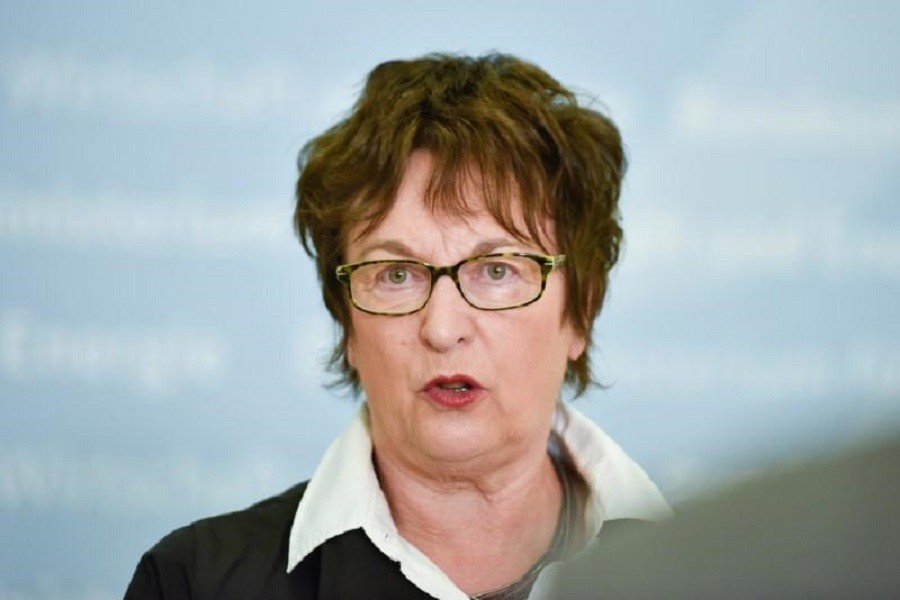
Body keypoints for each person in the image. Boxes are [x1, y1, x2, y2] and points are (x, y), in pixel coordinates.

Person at [125, 52, 670, 600]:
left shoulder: (721, 571)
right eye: (398, 274)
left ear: (580, 310)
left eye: (497, 270)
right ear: (347, 323)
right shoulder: (194, 583)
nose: (442, 327)